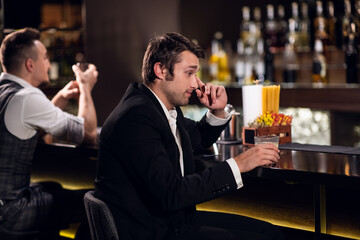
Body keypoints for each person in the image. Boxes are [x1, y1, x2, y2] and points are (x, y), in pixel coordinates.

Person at [95, 32, 284, 240]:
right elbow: (171, 195)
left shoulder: (159, 109)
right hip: (155, 231)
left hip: (174, 221)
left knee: (270, 232)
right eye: (189, 73)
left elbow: (198, 138)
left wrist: (217, 111)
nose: (196, 84)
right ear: (161, 70)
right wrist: (239, 164)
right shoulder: (136, 118)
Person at [0, 28, 98, 239]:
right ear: (30, 64)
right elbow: (88, 133)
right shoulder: (27, 97)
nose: (48, 63)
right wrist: (85, 86)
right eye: (45, 57)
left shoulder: (7, 93)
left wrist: (60, 99)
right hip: (11, 214)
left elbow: (31, 128)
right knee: (96, 201)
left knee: (51, 186)